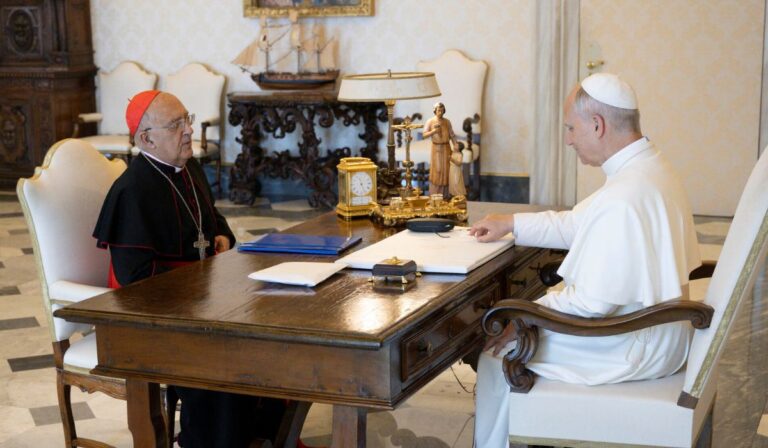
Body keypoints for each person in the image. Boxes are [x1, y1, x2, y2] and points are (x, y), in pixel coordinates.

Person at [468, 73, 701, 447]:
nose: (568, 140)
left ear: (597, 124)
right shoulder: (649, 166)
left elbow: (591, 303)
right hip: (663, 331)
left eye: (571, 128)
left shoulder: (624, 195)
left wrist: (521, 316)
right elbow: (578, 222)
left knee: (499, 355)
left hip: (634, 343)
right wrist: (510, 223)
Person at [93, 90, 286, 448]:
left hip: (200, 301)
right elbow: (135, 279)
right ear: (146, 138)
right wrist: (200, 287)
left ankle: (265, 435)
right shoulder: (131, 191)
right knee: (227, 355)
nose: (188, 131)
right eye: (175, 124)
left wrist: (222, 239)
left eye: (187, 119)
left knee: (271, 330)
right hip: (156, 315)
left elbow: (214, 223)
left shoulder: (188, 169)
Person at [423, 102, 459, 196]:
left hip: (446, 147)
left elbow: (452, 134)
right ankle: (435, 195)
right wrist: (434, 131)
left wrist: (455, 144)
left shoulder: (447, 121)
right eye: (439, 110)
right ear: (435, 111)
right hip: (436, 148)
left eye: (442, 110)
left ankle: (446, 195)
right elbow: (424, 135)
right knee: (437, 170)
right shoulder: (430, 121)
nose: (440, 112)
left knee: (447, 170)